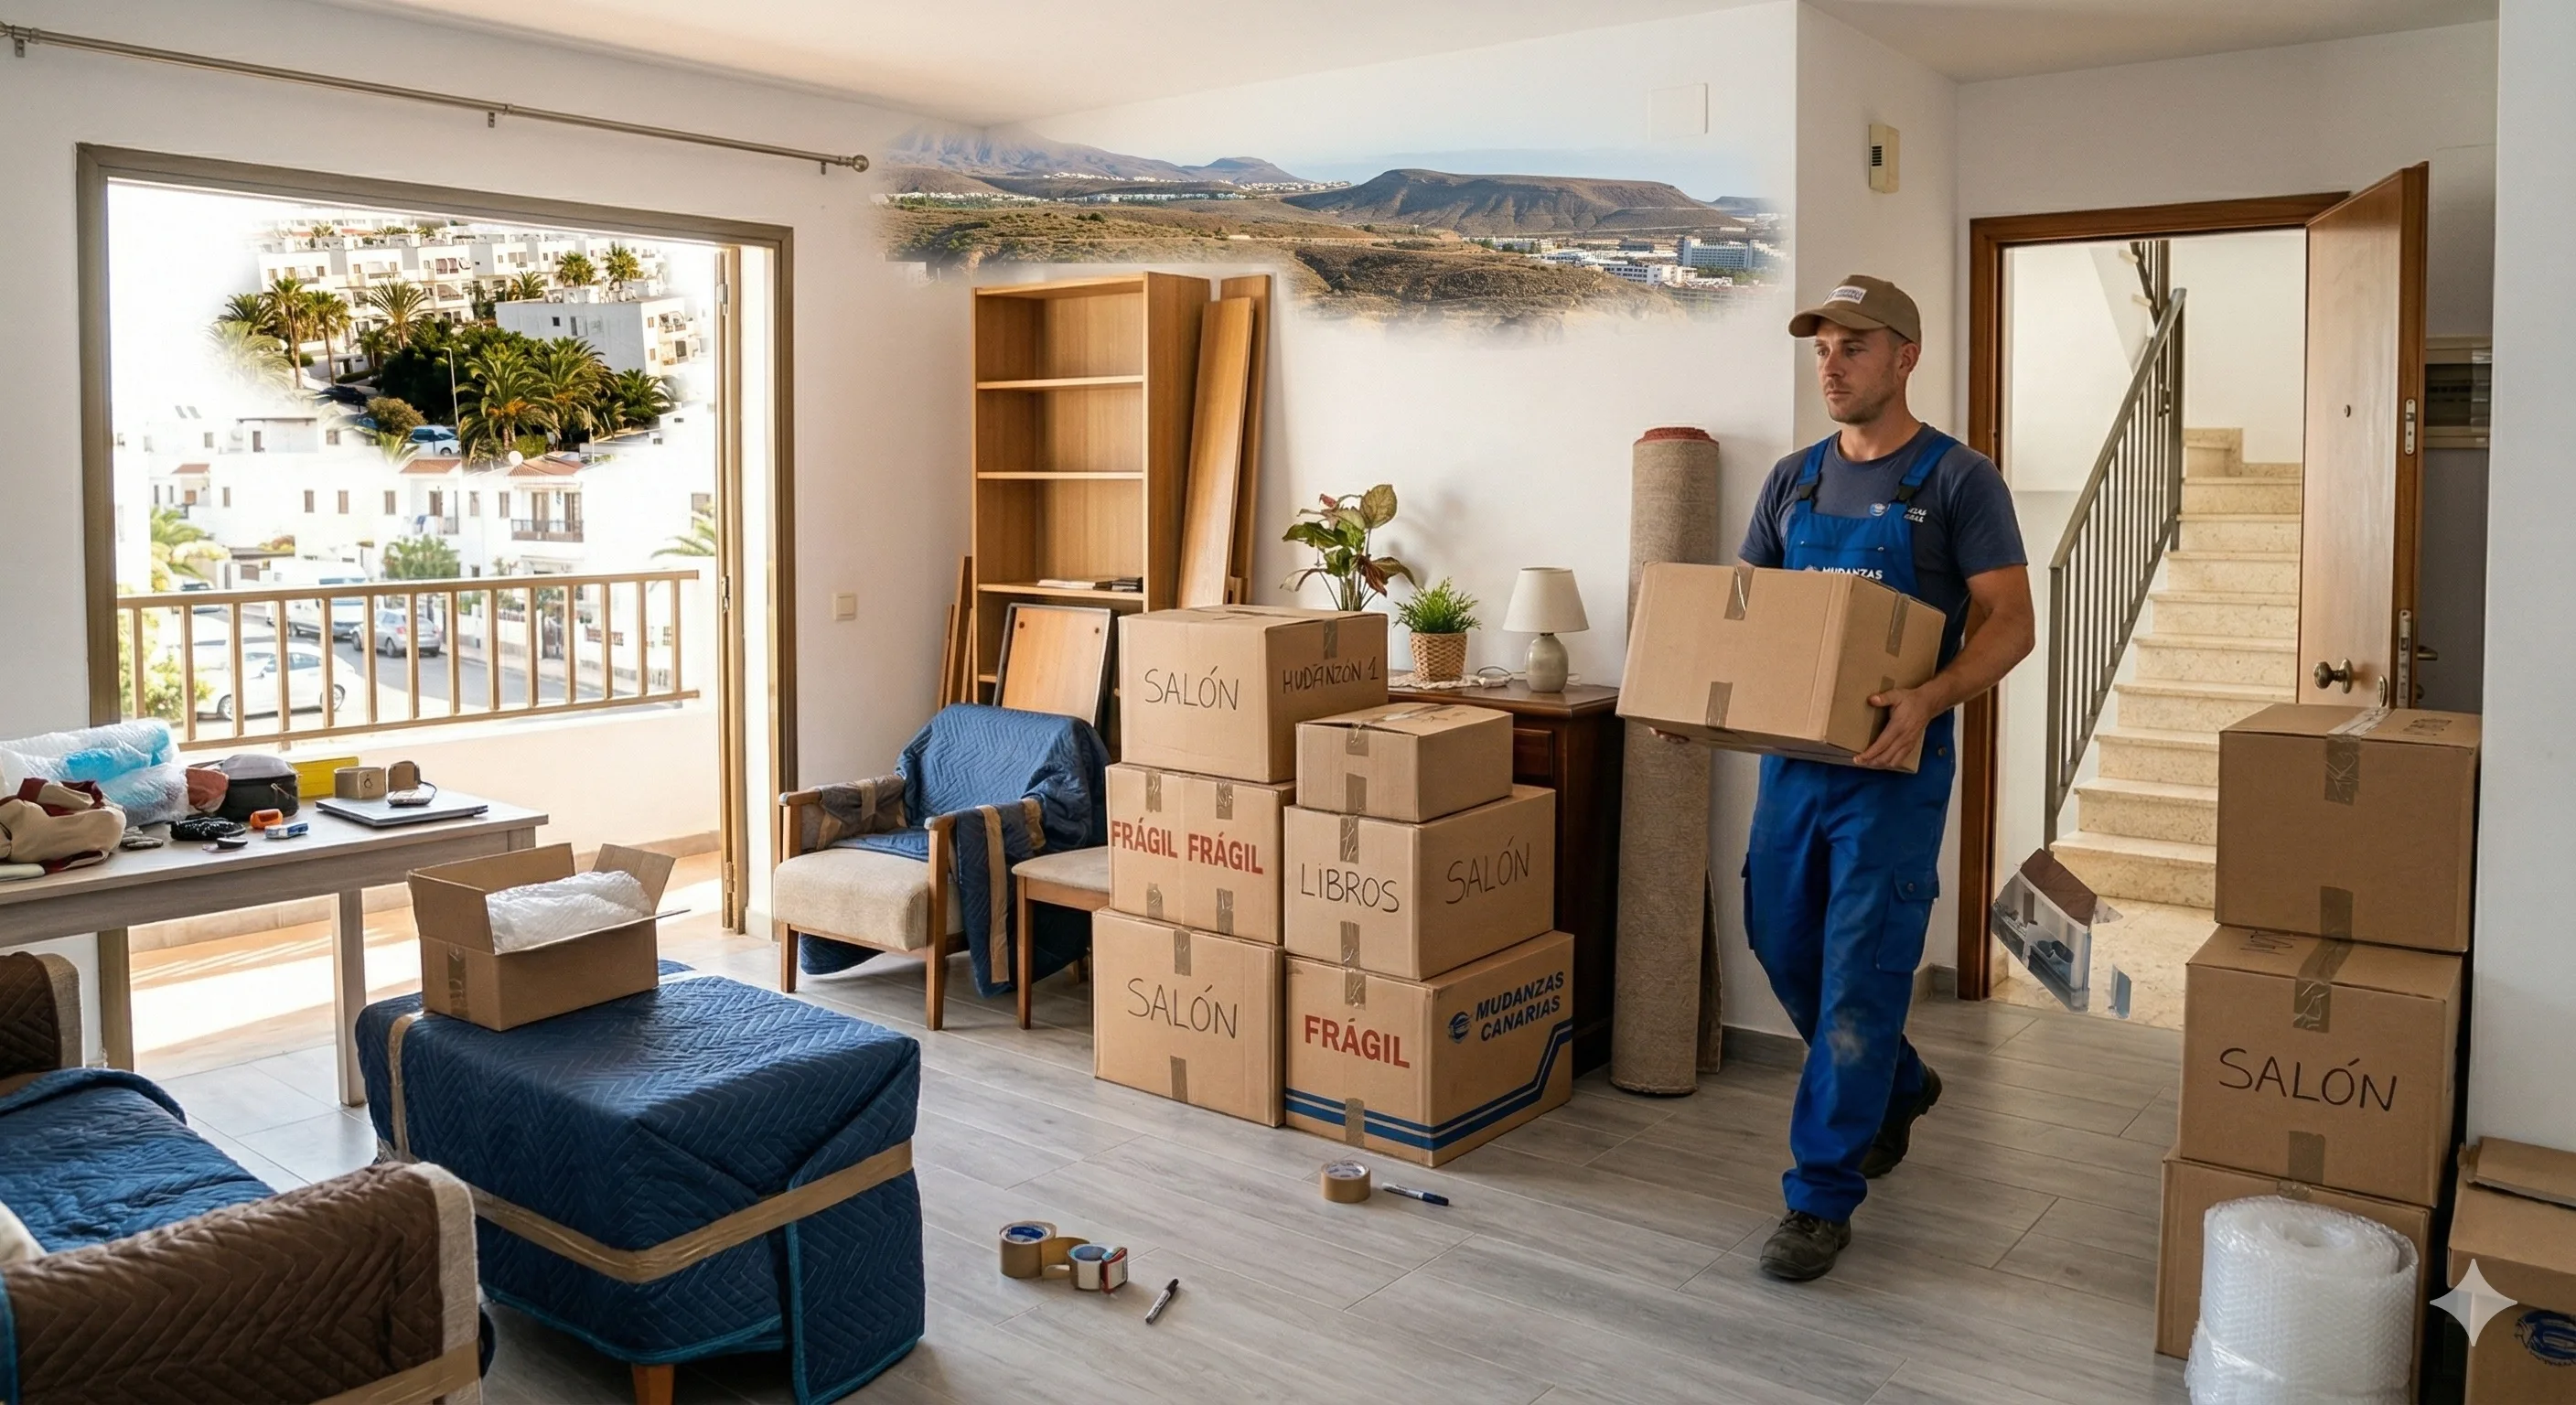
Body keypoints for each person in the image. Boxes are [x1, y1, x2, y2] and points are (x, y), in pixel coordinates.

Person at [1730, 274, 2034, 1282]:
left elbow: (2011, 623)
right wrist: (1703, 705)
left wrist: (1929, 698)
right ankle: (1898, 1083)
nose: (1830, 364)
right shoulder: (1791, 481)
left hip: (1892, 769)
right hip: (1794, 765)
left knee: (1860, 976)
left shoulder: (1958, 481)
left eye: (1852, 346)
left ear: (1905, 356)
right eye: (1820, 347)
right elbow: (1748, 619)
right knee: (1780, 943)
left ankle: (1819, 1197)